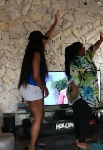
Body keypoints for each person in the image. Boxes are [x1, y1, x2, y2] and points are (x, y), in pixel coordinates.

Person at [18, 11, 60, 150]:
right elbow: (36, 77)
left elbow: (47, 36)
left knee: (37, 117)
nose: (45, 41)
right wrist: (45, 88)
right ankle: (32, 147)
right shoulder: (36, 54)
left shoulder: (32, 51)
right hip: (33, 87)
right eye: (42, 40)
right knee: (39, 117)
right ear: (38, 41)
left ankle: (33, 142)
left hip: (30, 87)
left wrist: (56, 22)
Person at [64, 31, 103, 149]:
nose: (85, 48)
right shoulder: (75, 62)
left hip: (88, 94)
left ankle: (79, 137)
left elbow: (93, 48)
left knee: (78, 116)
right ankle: (81, 141)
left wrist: (101, 40)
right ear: (78, 51)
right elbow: (74, 79)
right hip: (80, 94)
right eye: (82, 47)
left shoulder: (86, 57)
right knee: (85, 116)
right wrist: (74, 93)